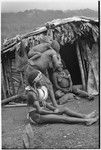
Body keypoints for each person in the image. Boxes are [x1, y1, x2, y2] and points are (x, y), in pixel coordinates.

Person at [26, 69, 98, 125]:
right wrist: (54, 113)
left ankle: (85, 116)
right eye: (40, 79)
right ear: (35, 82)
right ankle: (87, 121)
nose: (42, 80)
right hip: (36, 117)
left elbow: (44, 103)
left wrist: (54, 109)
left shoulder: (37, 90)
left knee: (64, 109)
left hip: (40, 112)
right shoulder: (32, 94)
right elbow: (39, 110)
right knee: (62, 118)